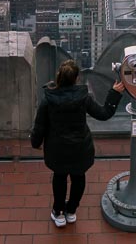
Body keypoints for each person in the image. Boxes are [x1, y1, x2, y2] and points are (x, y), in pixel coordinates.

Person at [30, 59, 125, 228]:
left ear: (58, 76)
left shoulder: (48, 101)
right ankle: (71, 211)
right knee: (78, 178)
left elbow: (39, 127)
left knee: (59, 178)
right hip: (80, 148)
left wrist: (35, 143)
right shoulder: (84, 99)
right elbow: (104, 113)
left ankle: (58, 213)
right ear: (76, 79)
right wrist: (114, 93)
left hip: (57, 149)